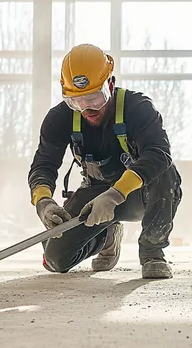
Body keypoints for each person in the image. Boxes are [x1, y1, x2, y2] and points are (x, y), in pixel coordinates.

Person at [28, 43, 182, 279]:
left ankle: (153, 252)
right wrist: (43, 202)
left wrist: (115, 194)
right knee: (55, 259)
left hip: (138, 194)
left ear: (110, 85)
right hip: (94, 197)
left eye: (94, 98)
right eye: (76, 101)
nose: (86, 108)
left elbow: (158, 153)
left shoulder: (137, 108)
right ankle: (107, 237)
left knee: (165, 172)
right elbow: (43, 164)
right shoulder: (59, 118)